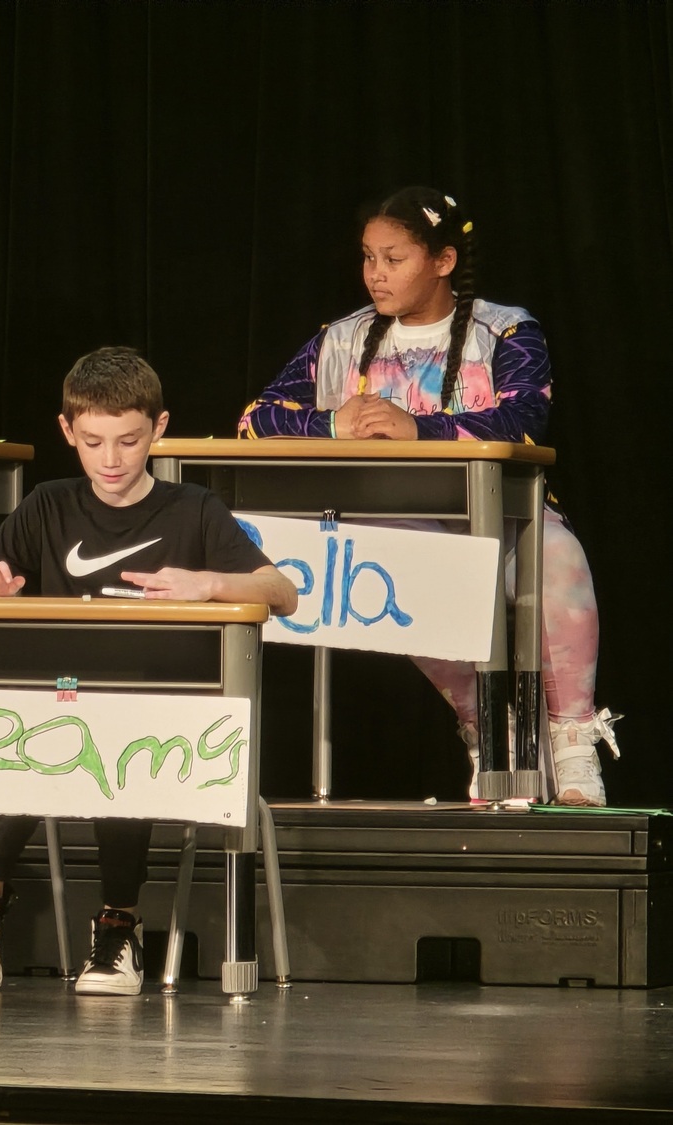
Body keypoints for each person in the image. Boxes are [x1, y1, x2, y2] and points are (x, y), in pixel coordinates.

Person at [238, 185, 619, 806]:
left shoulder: (506, 329)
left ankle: (572, 738)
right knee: (401, 560)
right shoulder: (341, 339)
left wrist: (424, 429)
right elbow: (254, 419)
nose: (375, 275)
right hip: (400, 516)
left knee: (556, 559)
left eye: (393, 259)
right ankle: (487, 731)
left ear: (442, 262)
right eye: (368, 258)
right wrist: (333, 423)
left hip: (505, 513)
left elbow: (525, 420)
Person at [0, 346, 297, 996]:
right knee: (62, 725)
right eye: (94, 441)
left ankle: (117, 927)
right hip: (56, 701)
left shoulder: (193, 509)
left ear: (158, 428)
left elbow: (282, 590)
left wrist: (209, 583)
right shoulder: (49, 505)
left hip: (157, 711)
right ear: (67, 431)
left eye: (128, 441)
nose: (111, 459)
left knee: (121, 732)